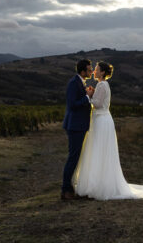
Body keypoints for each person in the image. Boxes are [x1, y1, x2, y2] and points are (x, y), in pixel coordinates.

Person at [73, 61, 143, 200]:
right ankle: (98, 184)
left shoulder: (102, 84)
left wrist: (89, 95)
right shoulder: (104, 85)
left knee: (99, 151)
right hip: (103, 120)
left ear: (103, 72)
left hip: (101, 120)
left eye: (97, 69)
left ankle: (97, 186)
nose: (94, 71)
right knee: (101, 152)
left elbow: (98, 104)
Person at [61, 58, 94, 200]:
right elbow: (73, 104)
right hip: (75, 126)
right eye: (89, 69)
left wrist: (87, 95)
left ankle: (69, 188)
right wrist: (87, 96)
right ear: (82, 71)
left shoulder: (80, 82)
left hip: (78, 125)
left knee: (75, 157)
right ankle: (66, 190)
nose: (91, 71)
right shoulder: (74, 83)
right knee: (73, 158)